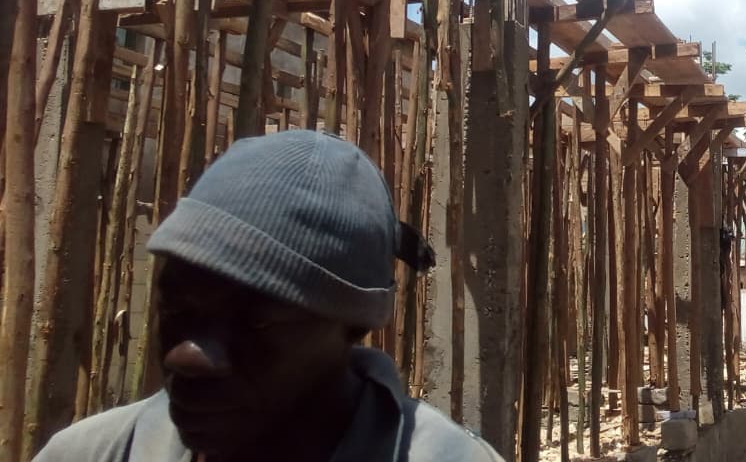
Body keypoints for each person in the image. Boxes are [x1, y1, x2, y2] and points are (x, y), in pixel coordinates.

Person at [34, 130, 502, 462]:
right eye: (175, 308)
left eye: (256, 320)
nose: (185, 357)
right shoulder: (89, 452)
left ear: (354, 323)